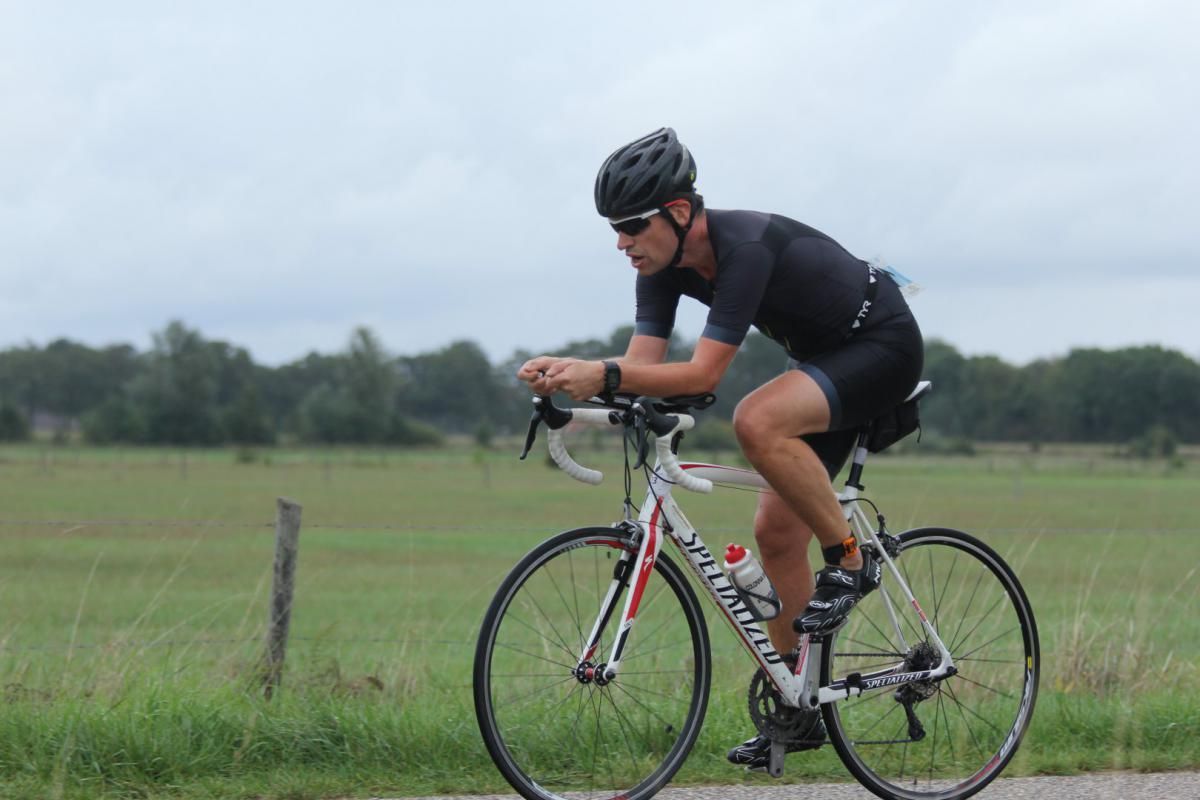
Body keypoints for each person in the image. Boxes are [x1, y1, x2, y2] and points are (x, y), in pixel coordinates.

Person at [517, 127, 924, 769]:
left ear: (678, 214)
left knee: (756, 419)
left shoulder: (746, 248)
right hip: (822, 361)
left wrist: (602, 372)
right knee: (776, 530)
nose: (621, 243)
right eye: (612, 230)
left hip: (883, 346)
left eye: (630, 225)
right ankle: (802, 704)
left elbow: (702, 376)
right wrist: (578, 398)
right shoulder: (661, 266)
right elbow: (641, 367)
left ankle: (850, 560)